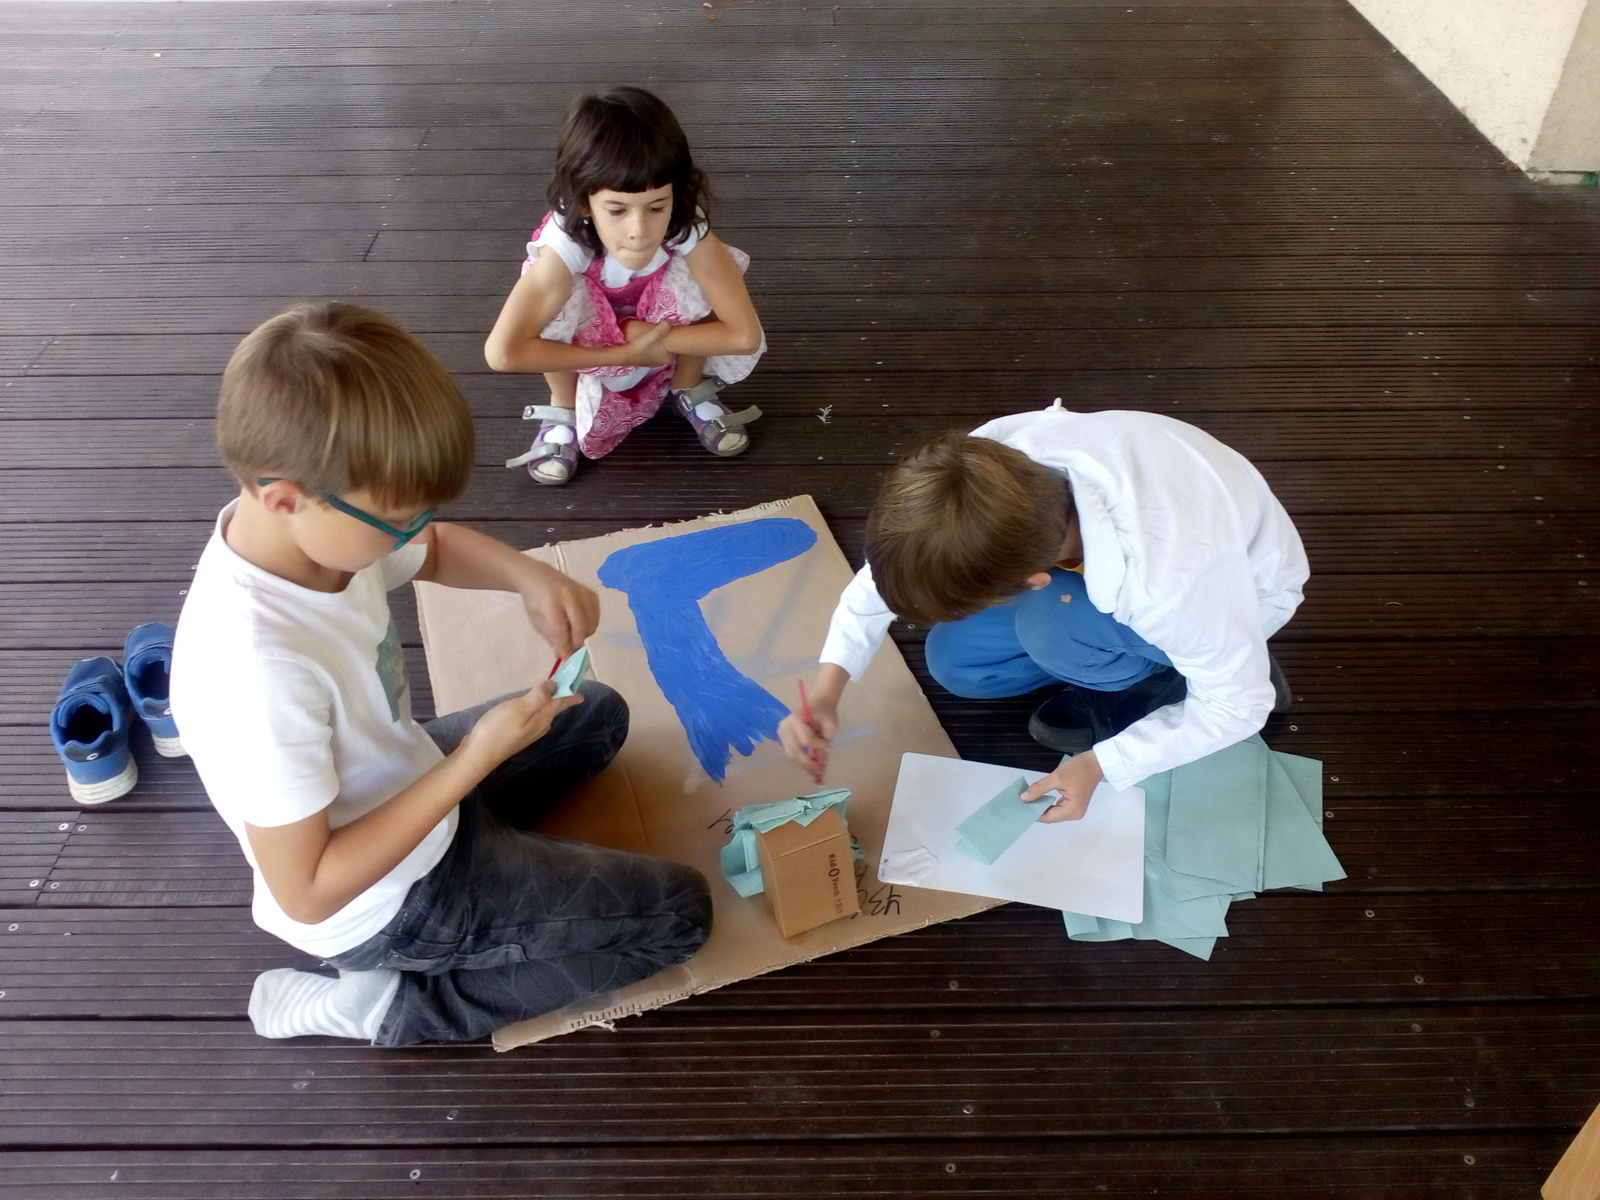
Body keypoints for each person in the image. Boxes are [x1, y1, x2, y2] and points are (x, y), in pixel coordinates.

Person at [170, 302, 711, 1045]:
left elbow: (434, 548)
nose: (412, 529)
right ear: (285, 498)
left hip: (407, 782)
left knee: (597, 712)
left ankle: (493, 849)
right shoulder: (257, 674)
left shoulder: (312, 526)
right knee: (680, 916)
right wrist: (477, 758)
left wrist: (529, 578)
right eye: (397, 517)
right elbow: (307, 891)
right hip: (386, 903)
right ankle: (391, 1008)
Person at [778, 400, 1308, 823]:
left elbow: (1240, 706)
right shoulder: (986, 468)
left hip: (1235, 593)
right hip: (1137, 564)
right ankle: (1120, 658)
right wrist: (827, 690)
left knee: (1050, 626)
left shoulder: (1165, 584)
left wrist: (1102, 764)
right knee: (956, 662)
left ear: (1033, 580)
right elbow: (893, 572)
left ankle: (1164, 677)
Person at [484, 86, 766, 485]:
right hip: (591, 336)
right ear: (584, 201)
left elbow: (743, 336)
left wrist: (645, 335)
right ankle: (564, 406)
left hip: (654, 327)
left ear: (676, 193)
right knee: (554, 300)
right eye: (617, 210)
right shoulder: (566, 243)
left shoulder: (686, 223)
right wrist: (627, 352)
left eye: (657, 207)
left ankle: (686, 384)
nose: (639, 231)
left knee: (700, 273)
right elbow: (502, 353)